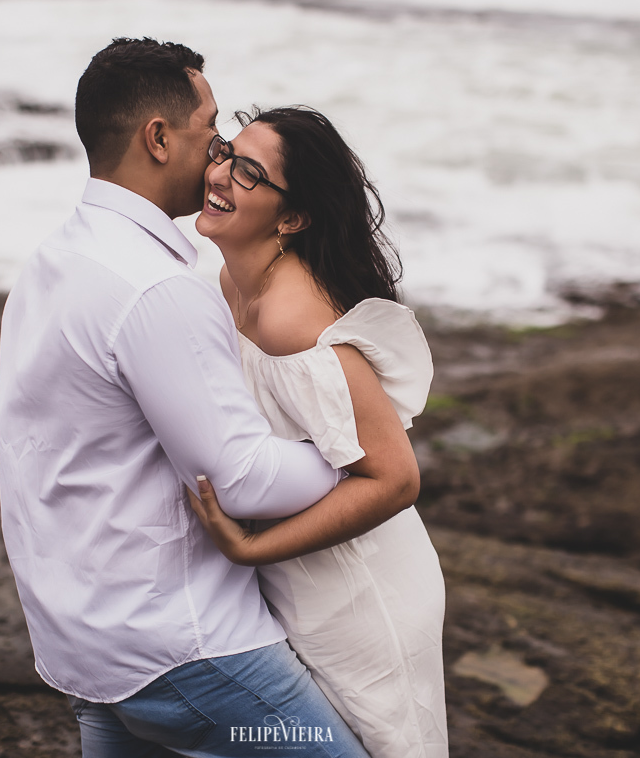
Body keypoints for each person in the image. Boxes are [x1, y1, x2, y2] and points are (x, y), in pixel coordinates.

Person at [0, 38, 379, 756]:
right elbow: (240, 479)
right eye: (210, 129)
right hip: (187, 653)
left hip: (81, 643)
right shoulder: (157, 288)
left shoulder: (54, 261)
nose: (220, 148)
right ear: (159, 138)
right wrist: (349, 461)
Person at [187, 106, 449, 757]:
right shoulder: (228, 283)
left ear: (293, 218)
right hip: (300, 576)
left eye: (247, 172)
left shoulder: (294, 325)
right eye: (225, 153)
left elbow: (395, 478)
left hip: (363, 592)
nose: (218, 174)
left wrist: (250, 550)